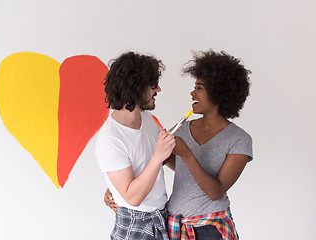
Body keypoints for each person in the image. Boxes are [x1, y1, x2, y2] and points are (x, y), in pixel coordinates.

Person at [105, 50, 252, 240]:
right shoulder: (182, 129)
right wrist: (116, 187)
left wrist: (187, 154)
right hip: (173, 225)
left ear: (218, 93)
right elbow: (157, 161)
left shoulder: (239, 139)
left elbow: (216, 191)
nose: (192, 93)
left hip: (210, 229)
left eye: (199, 88)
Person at [95, 51, 175, 240]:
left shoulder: (148, 120)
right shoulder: (110, 138)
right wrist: (158, 157)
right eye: (153, 85)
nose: (158, 90)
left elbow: (168, 161)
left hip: (161, 218)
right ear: (135, 87)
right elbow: (133, 198)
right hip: (134, 225)